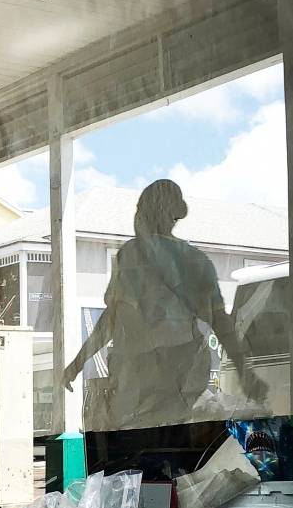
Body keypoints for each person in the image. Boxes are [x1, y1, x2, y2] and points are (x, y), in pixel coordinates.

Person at [61, 179, 256, 428]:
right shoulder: (197, 260)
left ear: (149, 213)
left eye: (140, 210)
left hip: (142, 381)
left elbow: (113, 319)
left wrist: (77, 364)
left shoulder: (133, 255)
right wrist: (246, 373)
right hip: (185, 380)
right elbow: (221, 322)